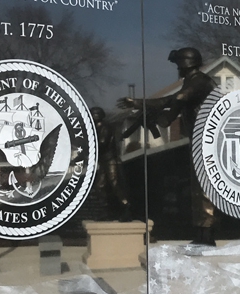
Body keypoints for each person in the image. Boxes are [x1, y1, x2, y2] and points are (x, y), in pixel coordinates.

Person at [117, 47, 218, 243]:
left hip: (207, 139)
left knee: (205, 188)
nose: (177, 69)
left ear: (184, 64)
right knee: (198, 188)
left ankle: (208, 235)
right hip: (198, 139)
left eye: (178, 65)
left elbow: (177, 99)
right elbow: (171, 114)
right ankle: (201, 232)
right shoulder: (191, 82)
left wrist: (139, 102)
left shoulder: (199, 81)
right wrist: (152, 118)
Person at [90, 107, 132, 221]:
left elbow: (102, 143)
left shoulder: (105, 127)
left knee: (115, 185)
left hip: (111, 161)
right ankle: (106, 211)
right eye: (93, 114)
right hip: (104, 161)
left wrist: (89, 146)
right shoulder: (95, 128)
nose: (94, 116)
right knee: (99, 187)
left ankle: (126, 206)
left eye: (96, 114)